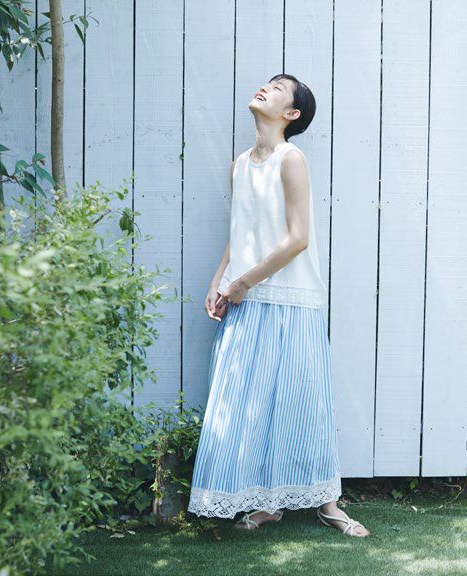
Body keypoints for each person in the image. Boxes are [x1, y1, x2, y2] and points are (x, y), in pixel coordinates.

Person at [186, 73, 370, 538]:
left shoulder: (292, 159)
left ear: (292, 113)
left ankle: (328, 505)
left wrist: (242, 282)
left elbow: (298, 238)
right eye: (267, 83)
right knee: (245, 403)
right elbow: (240, 231)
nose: (265, 88)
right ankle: (268, 504)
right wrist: (219, 281)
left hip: (291, 301)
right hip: (245, 296)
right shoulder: (240, 164)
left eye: (279, 88)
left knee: (301, 402)